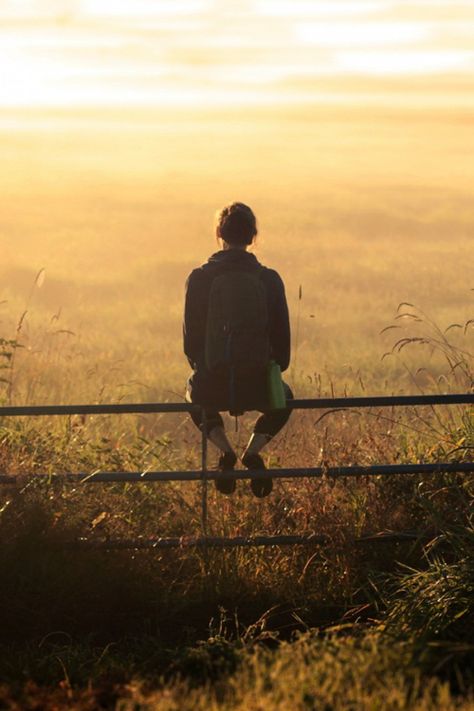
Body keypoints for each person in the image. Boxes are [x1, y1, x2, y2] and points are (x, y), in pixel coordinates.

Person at [183, 202, 292, 498]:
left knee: (193, 393)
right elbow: (283, 350)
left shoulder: (200, 279)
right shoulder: (269, 279)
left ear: (219, 233)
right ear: (253, 236)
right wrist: (267, 368)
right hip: (259, 385)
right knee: (286, 399)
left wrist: (209, 369)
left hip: (213, 386)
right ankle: (253, 452)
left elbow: (191, 344)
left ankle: (226, 451)